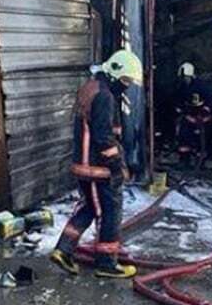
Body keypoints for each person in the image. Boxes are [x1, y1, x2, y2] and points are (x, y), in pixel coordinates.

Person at [50, 49, 143, 279]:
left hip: (86, 165)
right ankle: (107, 263)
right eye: (125, 80)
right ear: (114, 74)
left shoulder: (91, 87)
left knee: (90, 207)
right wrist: (117, 165)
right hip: (97, 168)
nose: (127, 85)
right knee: (110, 211)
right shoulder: (104, 96)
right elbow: (103, 137)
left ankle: (63, 251)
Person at [175, 90, 212, 170]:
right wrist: (188, 117)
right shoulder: (184, 94)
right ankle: (184, 161)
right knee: (184, 143)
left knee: (202, 145)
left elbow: (209, 115)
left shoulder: (206, 100)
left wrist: (202, 120)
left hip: (202, 127)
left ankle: (200, 163)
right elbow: (181, 111)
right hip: (187, 125)